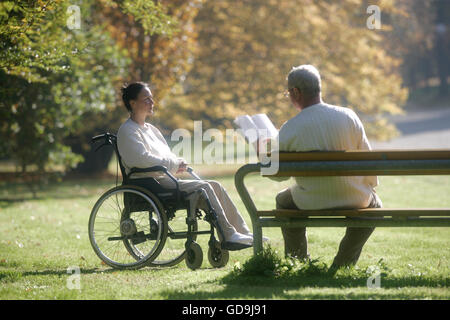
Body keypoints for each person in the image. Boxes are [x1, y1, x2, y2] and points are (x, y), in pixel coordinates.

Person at [116, 82, 253, 249]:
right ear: (133, 103)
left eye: (152, 98)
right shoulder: (127, 131)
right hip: (149, 183)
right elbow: (141, 159)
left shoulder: (151, 129)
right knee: (204, 187)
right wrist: (172, 164)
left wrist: (178, 162)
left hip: (163, 178)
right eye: (146, 99)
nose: (152, 102)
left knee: (214, 185)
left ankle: (243, 233)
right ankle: (229, 235)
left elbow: (166, 155)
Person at [271, 65, 382, 268]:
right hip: (355, 198)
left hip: (309, 200)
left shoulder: (290, 127)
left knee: (282, 201)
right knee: (376, 207)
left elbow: (276, 174)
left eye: (288, 93)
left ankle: (298, 263)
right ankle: (343, 264)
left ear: (296, 92)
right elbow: (368, 160)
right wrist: (369, 187)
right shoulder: (349, 116)